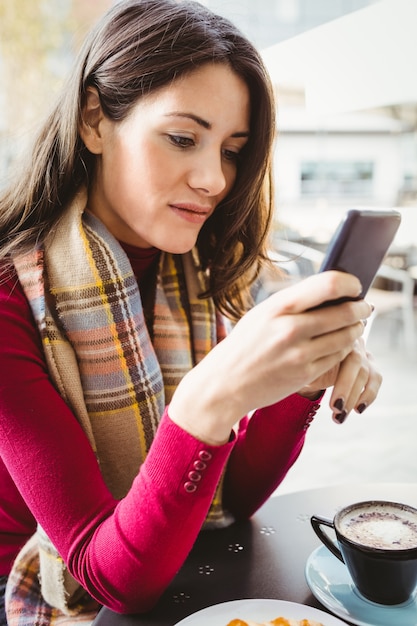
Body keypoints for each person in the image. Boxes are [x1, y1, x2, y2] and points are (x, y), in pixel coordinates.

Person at [0, 0, 381, 624]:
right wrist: (211, 398)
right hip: (35, 582)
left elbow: (225, 502)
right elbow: (106, 580)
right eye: (182, 138)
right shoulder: (10, 297)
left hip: (165, 567)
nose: (214, 179)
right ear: (95, 119)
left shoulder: (196, 273)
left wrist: (302, 381)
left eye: (233, 150)